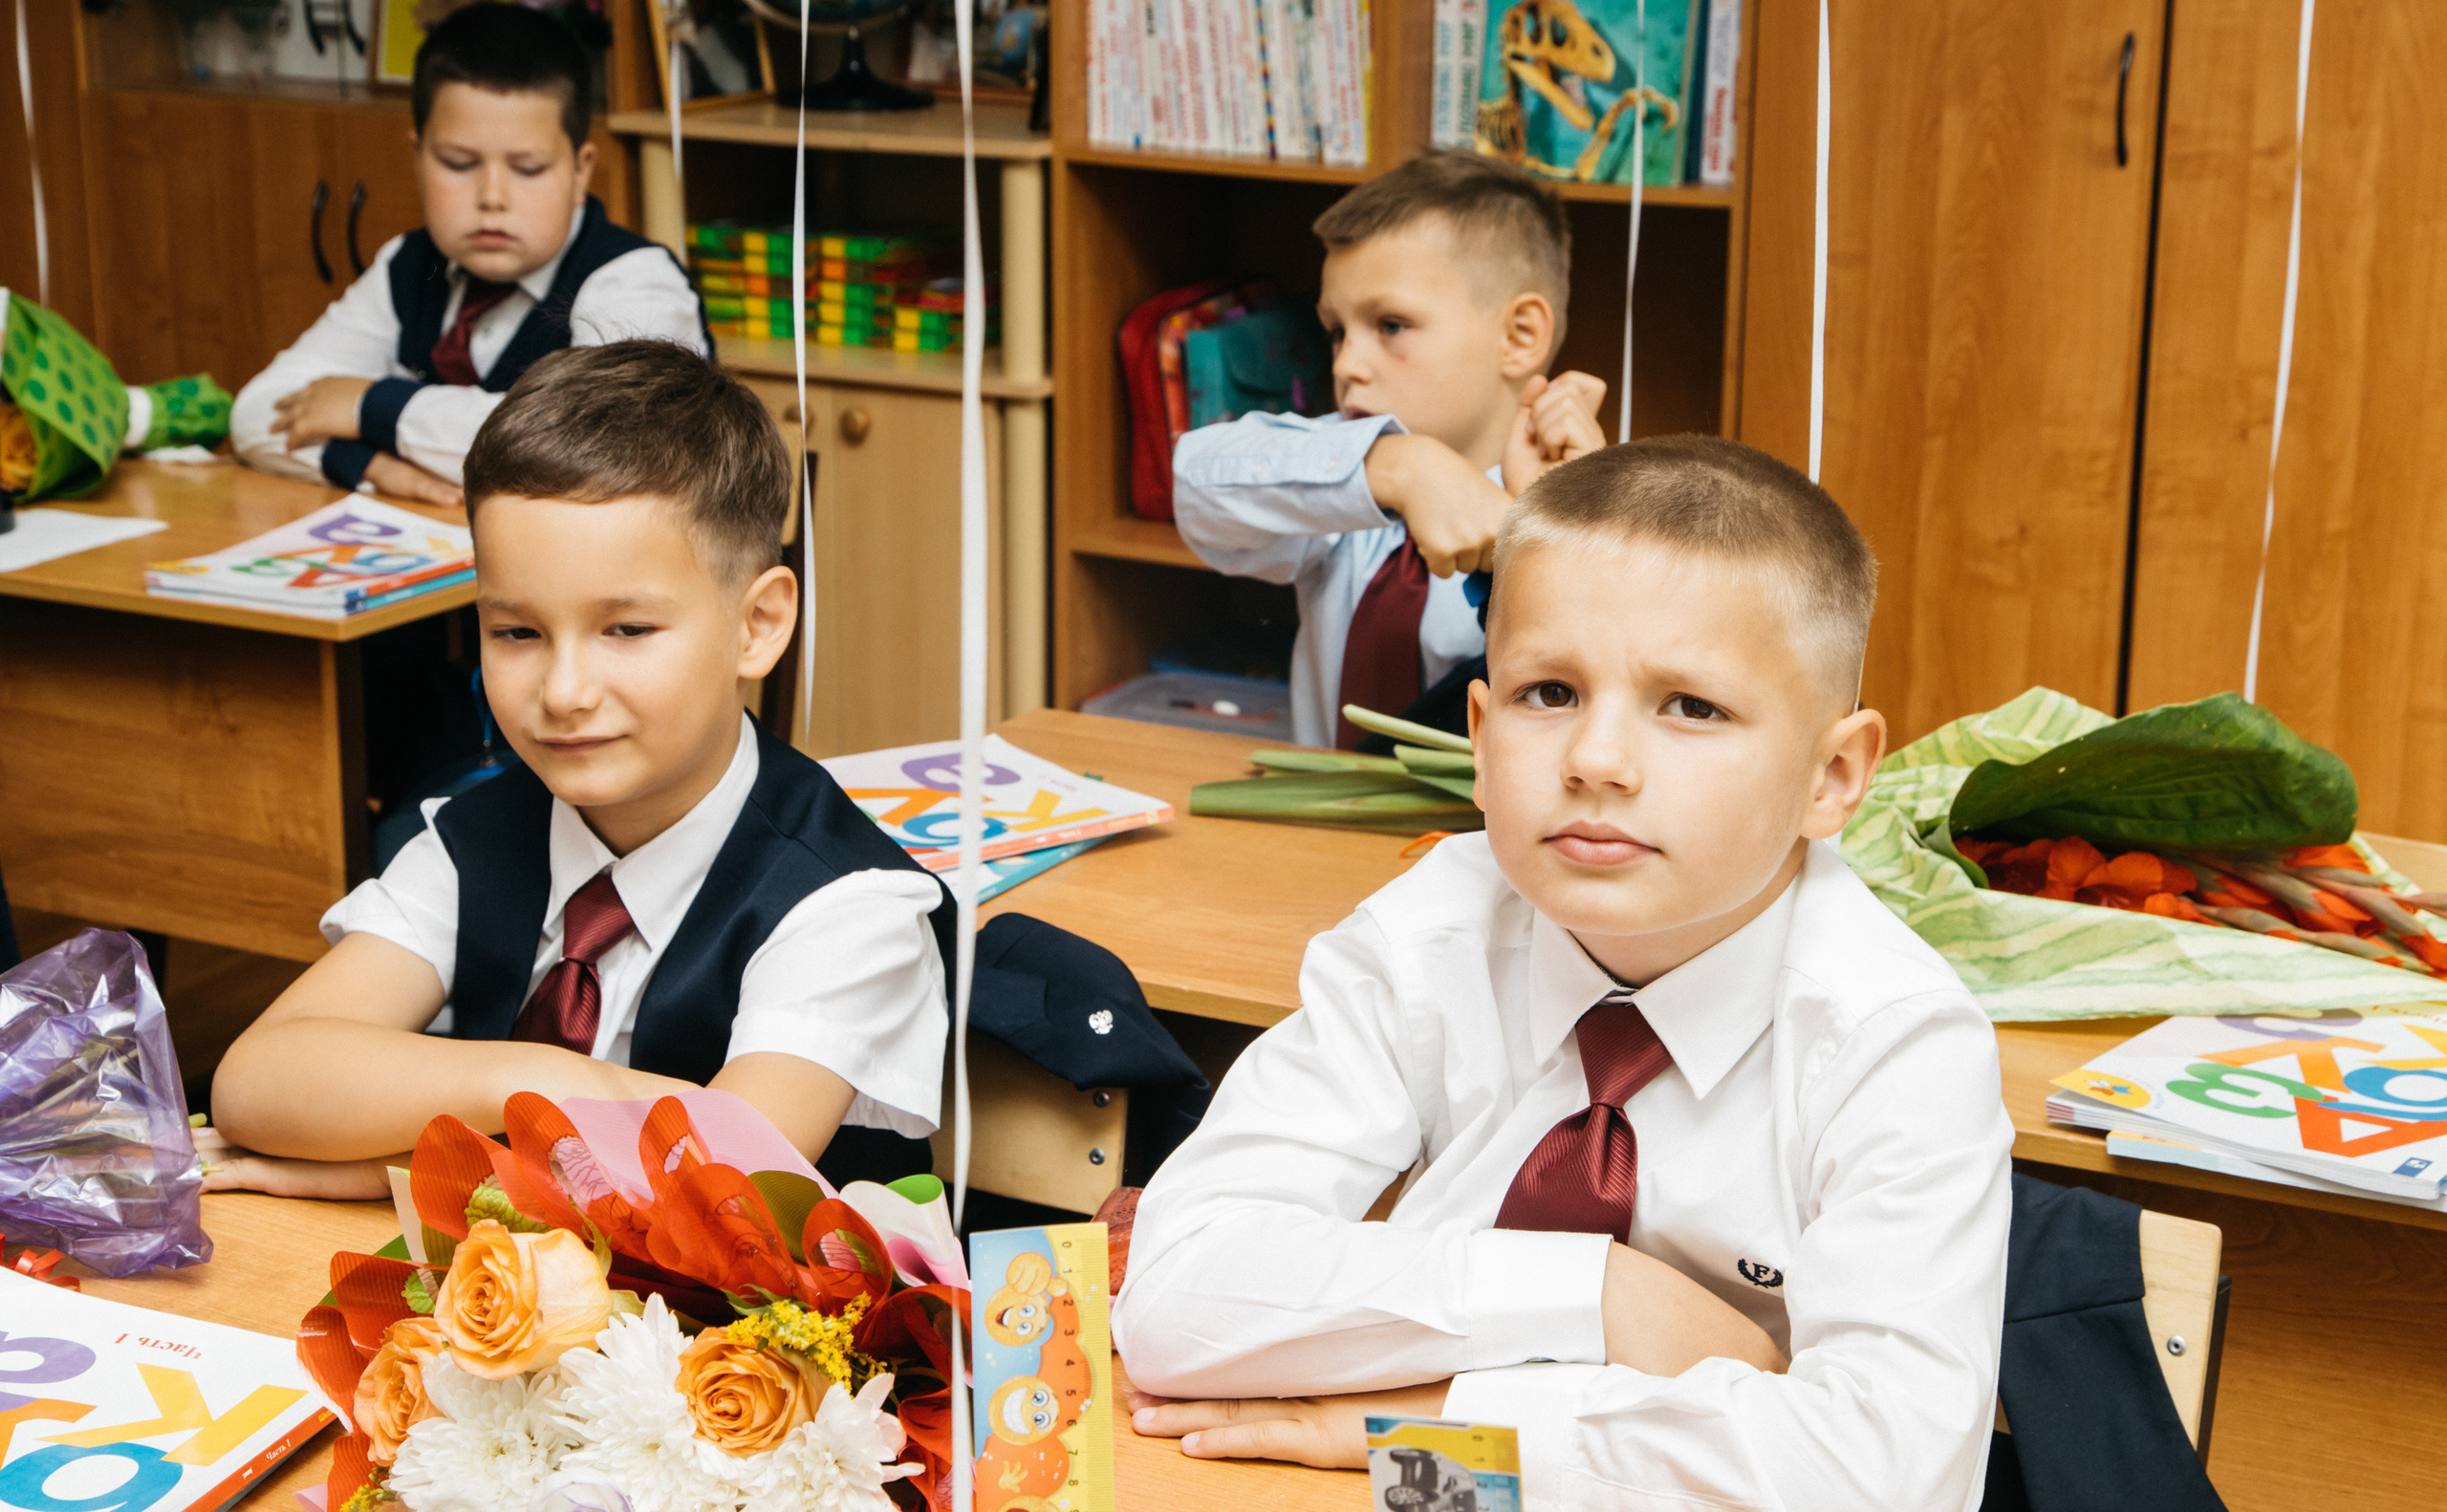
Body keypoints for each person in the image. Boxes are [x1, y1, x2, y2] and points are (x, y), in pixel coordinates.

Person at [1116, 437, 2013, 1510]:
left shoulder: (1895, 1043)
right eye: (1549, 692)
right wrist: (1600, 1294)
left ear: (1831, 776)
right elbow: (1172, 1303)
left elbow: (1890, 1481)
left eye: (1690, 707)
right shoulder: (1428, 934)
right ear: (1481, 737)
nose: (1595, 760)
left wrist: (1449, 1423)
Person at [205, 342, 948, 1199]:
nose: (563, 691)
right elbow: (256, 1082)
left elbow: (721, 1186)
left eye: (626, 630)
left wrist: (392, 1165)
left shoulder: (848, 906)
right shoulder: (477, 840)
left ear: (758, 625)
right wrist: (538, 1080)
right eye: (517, 632)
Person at [1172, 150, 1610, 751]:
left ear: (1519, 336)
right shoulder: (1345, 481)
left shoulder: (1587, 499)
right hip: (1325, 811)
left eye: (1391, 325)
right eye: (1337, 332)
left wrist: (1571, 529)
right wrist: (1400, 468)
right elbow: (1196, 484)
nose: (1346, 365)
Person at [229, 2, 706, 506]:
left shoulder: (637, 283)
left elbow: (596, 449)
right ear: (417, 157)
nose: (492, 198)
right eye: (458, 163)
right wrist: (370, 465)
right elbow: (256, 413)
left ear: (581, 170)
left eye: (528, 168)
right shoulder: (412, 264)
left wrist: (372, 406)